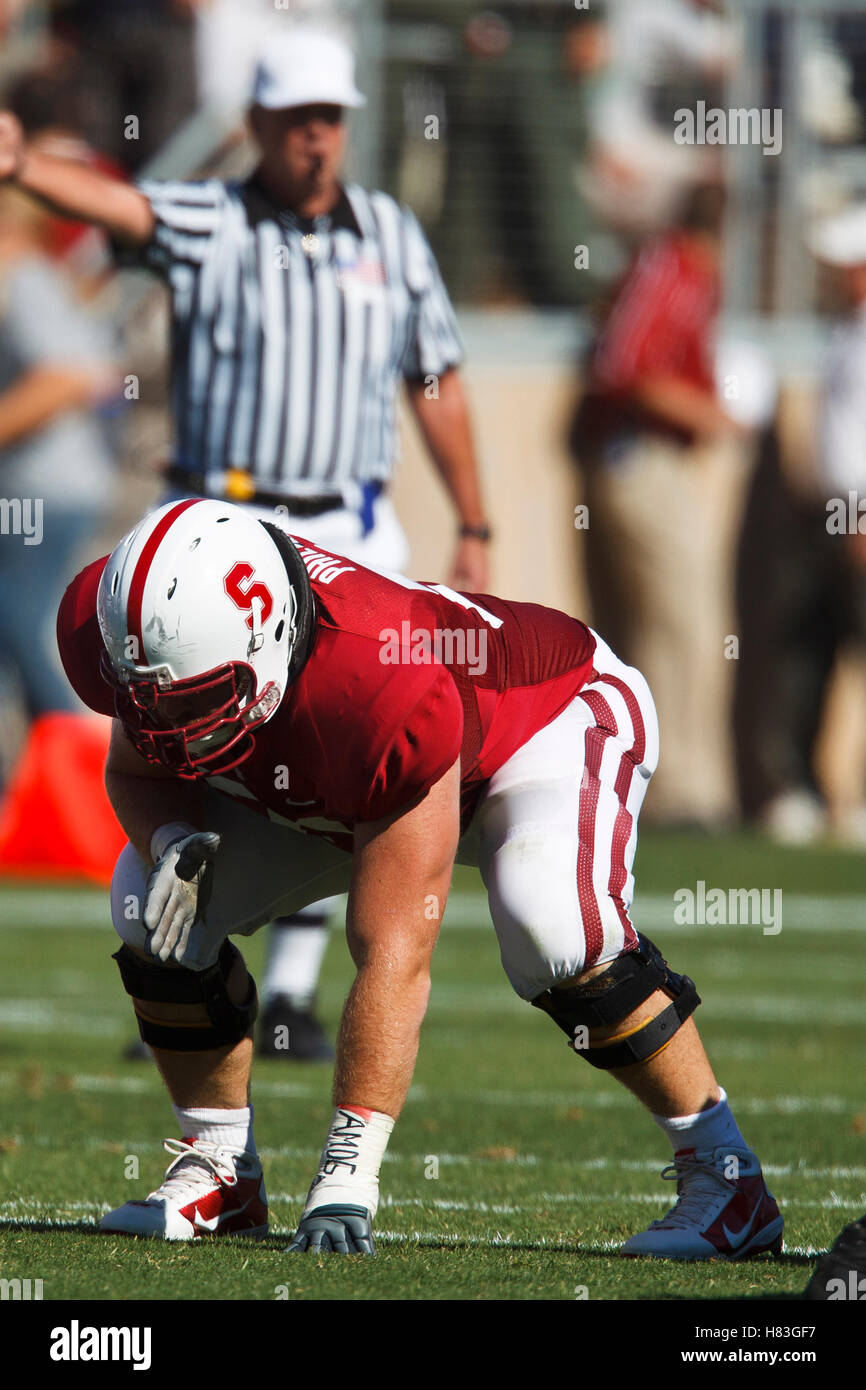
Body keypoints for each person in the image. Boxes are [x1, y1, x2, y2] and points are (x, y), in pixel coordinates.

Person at [55, 498, 783, 1259]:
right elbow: (137, 764)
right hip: (337, 770)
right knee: (149, 900)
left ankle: (727, 1177)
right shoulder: (116, 624)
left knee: (554, 929)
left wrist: (346, 1178)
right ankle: (220, 1171)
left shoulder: (381, 681)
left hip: (542, 724)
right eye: (153, 703)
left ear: (267, 640)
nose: (174, 731)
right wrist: (172, 837)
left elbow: (393, 953)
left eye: (199, 703)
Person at [0, 25, 490, 1060]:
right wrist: (20, 165)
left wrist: (474, 518)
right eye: (298, 119)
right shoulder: (214, 218)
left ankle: (293, 998)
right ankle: (193, 971)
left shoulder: (391, 233)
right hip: (222, 526)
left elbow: (435, 377)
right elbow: (123, 204)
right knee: (199, 748)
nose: (317, 139)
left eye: (330, 119)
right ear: (259, 125)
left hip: (348, 526)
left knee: (344, 761)